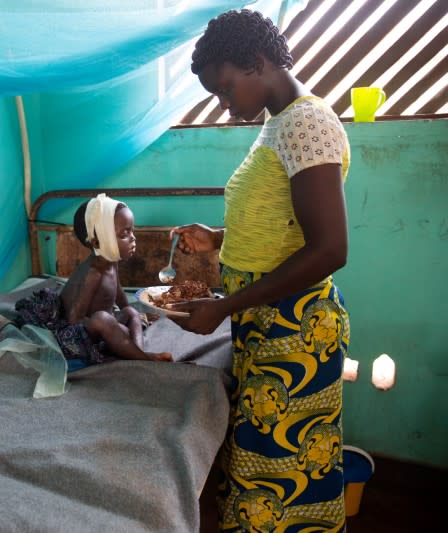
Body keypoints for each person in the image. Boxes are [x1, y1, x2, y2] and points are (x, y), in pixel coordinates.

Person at [169, 9, 351, 532]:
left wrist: (224, 305)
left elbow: (330, 249)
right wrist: (221, 238)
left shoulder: (308, 123)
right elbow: (282, 221)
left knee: (277, 474)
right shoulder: (280, 122)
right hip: (266, 325)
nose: (225, 106)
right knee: (265, 467)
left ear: (258, 61)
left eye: (225, 89)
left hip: (294, 330)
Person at [16, 193, 172, 365]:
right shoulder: (93, 273)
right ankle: (146, 358)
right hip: (77, 333)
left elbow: (118, 292)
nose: (133, 238)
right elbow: (74, 319)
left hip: (103, 322)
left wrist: (131, 315)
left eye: (132, 231)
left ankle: (139, 354)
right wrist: (109, 326)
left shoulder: (111, 261)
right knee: (102, 319)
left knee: (131, 312)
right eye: (124, 234)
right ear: (97, 242)